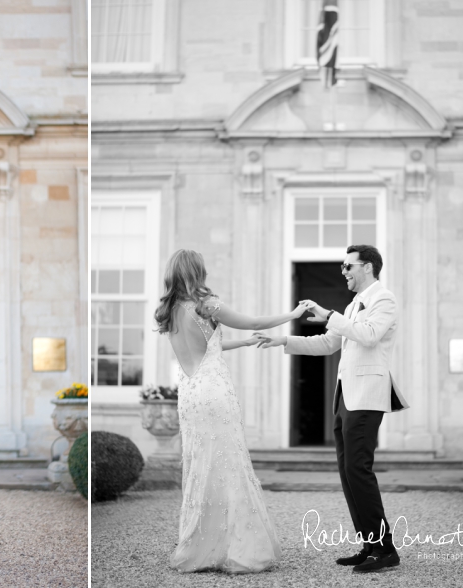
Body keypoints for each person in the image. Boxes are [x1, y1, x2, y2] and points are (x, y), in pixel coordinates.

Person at [256, 244, 409, 574]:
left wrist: (329, 316)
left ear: (367, 267)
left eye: (348, 266)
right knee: (347, 473)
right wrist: (284, 341)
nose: (344, 272)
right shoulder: (353, 304)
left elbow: (368, 336)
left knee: (358, 470)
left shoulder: (384, 299)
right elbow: (328, 343)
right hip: (345, 398)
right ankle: (370, 545)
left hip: (367, 396)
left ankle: (385, 551)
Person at [154, 249, 307, 573]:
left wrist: (246, 343)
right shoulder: (206, 304)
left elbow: (208, 347)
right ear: (198, 271)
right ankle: (238, 548)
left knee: (202, 467)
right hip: (213, 391)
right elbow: (252, 320)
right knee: (229, 465)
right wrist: (293, 314)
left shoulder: (168, 311)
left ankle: (201, 549)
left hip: (190, 394)